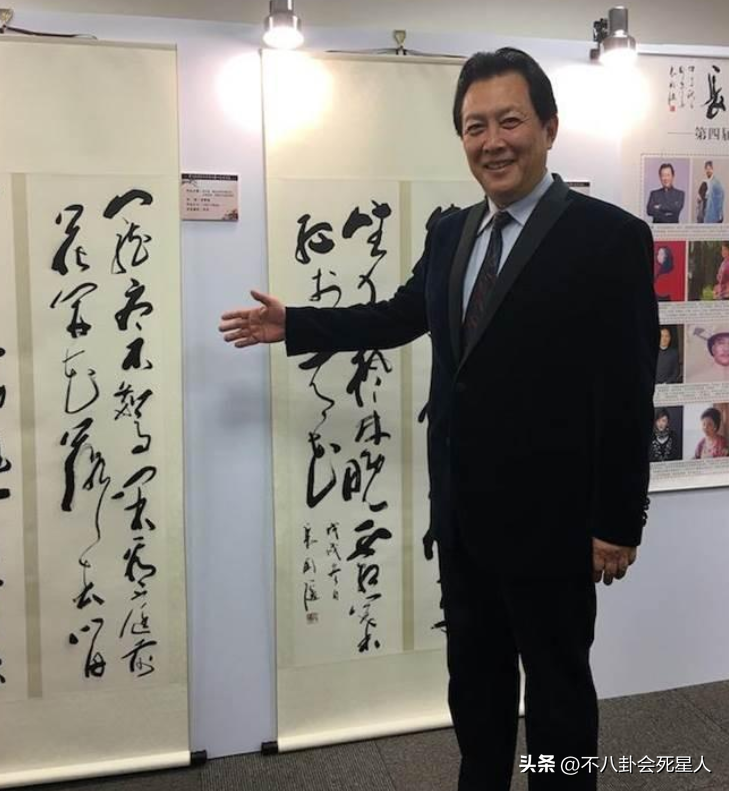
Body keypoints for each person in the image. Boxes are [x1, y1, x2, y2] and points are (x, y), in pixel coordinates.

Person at [220, 48, 659, 791]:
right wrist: (295, 323)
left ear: (549, 127)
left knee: (558, 702)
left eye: (510, 121)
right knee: (476, 696)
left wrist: (617, 521)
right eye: (474, 126)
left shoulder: (607, 237)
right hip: (462, 520)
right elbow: (399, 315)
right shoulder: (452, 233)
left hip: (553, 526)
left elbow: (627, 387)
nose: (492, 141)